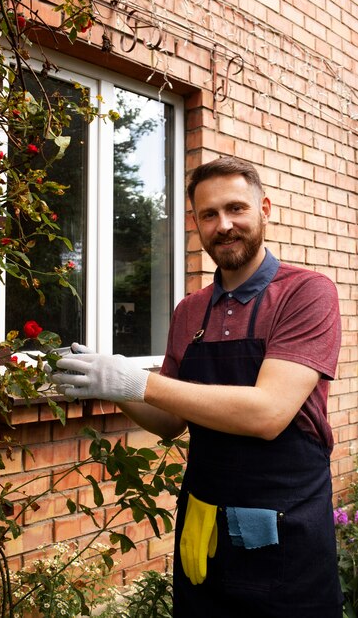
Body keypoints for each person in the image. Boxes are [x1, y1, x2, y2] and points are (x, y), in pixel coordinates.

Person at [50, 156, 343, 617]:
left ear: (264, 208)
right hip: (204, 526)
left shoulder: (306, 293)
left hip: (286, 532)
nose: (224, 225)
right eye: (209, 214)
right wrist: (107, 383)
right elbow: (169, 422)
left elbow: (267, 413)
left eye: (236, 209)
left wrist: (135, 381)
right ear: (196, 223)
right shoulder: (191, 310)